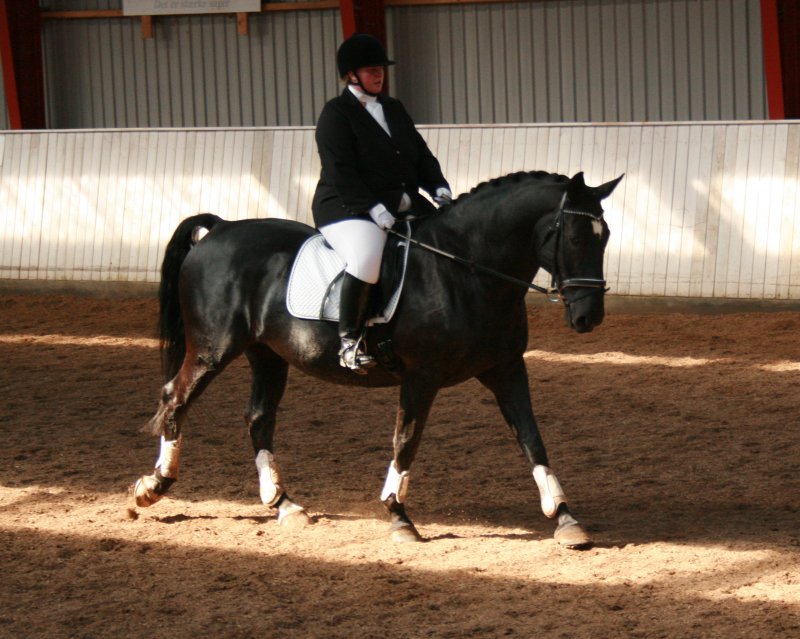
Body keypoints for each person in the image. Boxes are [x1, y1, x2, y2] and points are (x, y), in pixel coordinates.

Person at [312, 33, 452, 373]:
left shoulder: (393, 108)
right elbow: (340, 169)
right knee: (367, 255)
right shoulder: (336, 114)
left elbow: (418, 152)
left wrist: (438, 186)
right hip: (346, 207)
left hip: (401, 203)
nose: (379, 75)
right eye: (371, 70)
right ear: (351, 75)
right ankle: (349, 340)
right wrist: (372, 208)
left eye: (381, 70)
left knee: (444, 240)